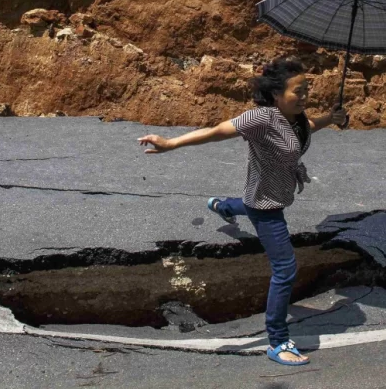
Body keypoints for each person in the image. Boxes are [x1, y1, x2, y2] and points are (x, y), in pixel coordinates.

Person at [137, 57, 348, 365]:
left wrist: (332, 117)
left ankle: (222, 206)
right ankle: (277, 341)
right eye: (298, 91)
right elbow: (218, 130)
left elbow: (307, 129)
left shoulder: (297, 117)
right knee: (285, 269)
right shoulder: (261, 118)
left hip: (265, 195)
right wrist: (171, 143)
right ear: (276, 94)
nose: (304, 96)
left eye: (306, 89)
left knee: (243, 205)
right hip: (267, 205)